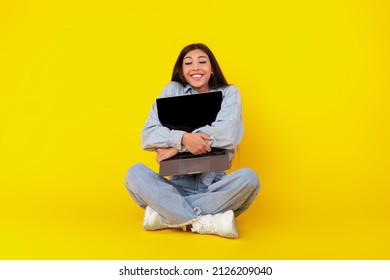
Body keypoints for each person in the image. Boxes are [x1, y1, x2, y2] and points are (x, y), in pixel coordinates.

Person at [125, 43, 260, 238]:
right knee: (135, 173)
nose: (195, 67)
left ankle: (168, 215)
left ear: (212, 69)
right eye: (188, 63)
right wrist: (183, 139)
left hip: (214, 187)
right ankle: (205, 222)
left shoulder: (229, 93)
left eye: (202, 62)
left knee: (249, 178)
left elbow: (228, 135)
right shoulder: (172, 89)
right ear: (181, 70)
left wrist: (174, 146)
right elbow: (148, 135)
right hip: (176, 186)